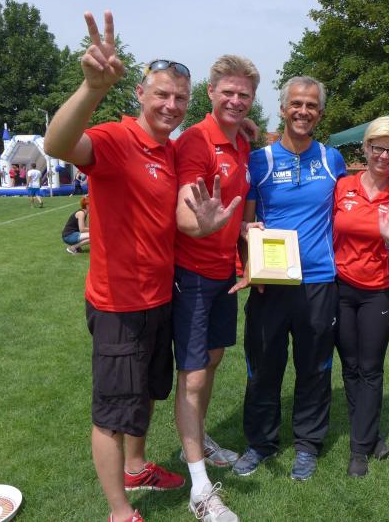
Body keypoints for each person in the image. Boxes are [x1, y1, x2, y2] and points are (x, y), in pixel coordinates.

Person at [44, 11, 239, 522]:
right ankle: (119, 511)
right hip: (118, 303)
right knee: (113, 412)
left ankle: (136, 466)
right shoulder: (115, 138)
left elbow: (179, 213)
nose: (172, 105)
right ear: (139, 93)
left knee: (148, 393)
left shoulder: (170, 152)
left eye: (180, 98)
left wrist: (207, 224)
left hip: (160, 295)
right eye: (162, 95)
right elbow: (57, 145)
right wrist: (91, 88)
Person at [231, 76, 347, 481]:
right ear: (282, 109)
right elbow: (246, 225)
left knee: (314, 367)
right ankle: (260, 443)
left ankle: (308, 444)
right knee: (263, 366)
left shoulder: (332, 160)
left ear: (320, 113)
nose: (303, 111)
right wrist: (250, 265)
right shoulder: (259, 161)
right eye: (296, 103)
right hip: (271, 283)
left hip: (319, 281)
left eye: (311, 105)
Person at [172, 54, 260, 520]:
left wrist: (240, 236)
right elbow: (187, 216)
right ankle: (200, 489)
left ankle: (198, 438)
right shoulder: (196, 141)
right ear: (211, 92)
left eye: (244, 94)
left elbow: (234, 205)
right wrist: (201, 224)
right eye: (228, 92)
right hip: (191, 273)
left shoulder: (241, 140)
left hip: (224, 272)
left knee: (211, 360)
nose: (236, 100)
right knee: (193, 376)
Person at [332, 116, 389, 477]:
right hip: (340, 289)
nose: (383, 156)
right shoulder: (343, 187)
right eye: (378, 148)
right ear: (365, 147)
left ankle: (358, 450)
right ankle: (371, 434)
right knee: (350, 367)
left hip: (377, 293)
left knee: (370, 369)